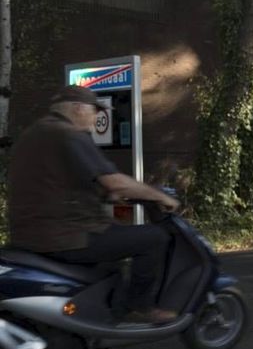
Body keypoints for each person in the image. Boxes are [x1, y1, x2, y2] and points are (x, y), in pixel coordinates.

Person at [7, 84, 181, 324]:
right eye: (94, 110)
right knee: (155, 238)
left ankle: (100, 313)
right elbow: (114, 182)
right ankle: (139, 307)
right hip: (67, 236)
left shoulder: (32, 135)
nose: (97, 116)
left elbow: (56, 181)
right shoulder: (69, 134)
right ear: (78, 108)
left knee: (115, 245)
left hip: (28, 234)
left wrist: (105, 195)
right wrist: (160, 197)